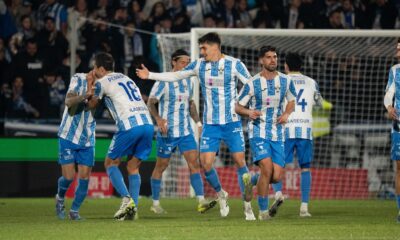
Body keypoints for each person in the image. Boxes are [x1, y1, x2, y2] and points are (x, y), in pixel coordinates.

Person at [137, 32, 255, 220]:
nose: (201, 52)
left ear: (215, 47)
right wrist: (150, 74)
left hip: (232, 121)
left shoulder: (234, 64)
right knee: (206, 165)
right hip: (211, 125)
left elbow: (251, 85)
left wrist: (244, 106)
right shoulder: (199, 65)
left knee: (240, 161)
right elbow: (175, 75)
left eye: (203, 48)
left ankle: (247, 206)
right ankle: (220, 194)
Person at [147, 49, 216, 214]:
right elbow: (151, 102)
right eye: (183, 62)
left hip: (185, 132)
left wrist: (198, 123)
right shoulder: (163, 81)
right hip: (167, 133)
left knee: (194, 164)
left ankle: (201, 201)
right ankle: (155, 203)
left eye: (188, 62)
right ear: (173, 62)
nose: (186, 65)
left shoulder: (188, 81)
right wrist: (158, 119)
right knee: (161, 166)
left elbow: (191, 104)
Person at [88, 52, 154, 220]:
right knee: (133, 167)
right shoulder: (126, 78)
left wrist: (90, 85)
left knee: (110, 162)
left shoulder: (101, 82)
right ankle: (134, 209)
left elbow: (92, 105)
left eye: (95, 68)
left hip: (130, 125)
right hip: (147, 123)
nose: (93, 70)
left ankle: (126, 200)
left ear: (101, 69)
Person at [236, 46, 296, 220]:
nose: (272, 60)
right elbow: (238, 106)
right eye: (268, 57)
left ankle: (252, 181)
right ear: (261, 60)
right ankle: (263, 212)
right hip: (258, 131)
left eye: (275, 57)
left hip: (277, 133)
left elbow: (292, 100)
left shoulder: (286, 81)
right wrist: (248, 113)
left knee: (276, 177)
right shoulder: (252, 83)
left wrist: (286, 113)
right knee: (267, 169)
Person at [270, 52, 323, 217]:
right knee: (305, 168)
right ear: (301, 66)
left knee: (278, 165)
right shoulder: (311, 82)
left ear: (286, 66)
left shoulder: (280, 80)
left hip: (285, 129)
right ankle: (304, 208)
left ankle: (278, 194)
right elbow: (319, 103)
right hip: (305, 130)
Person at [55, 71, 96, 220]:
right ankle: (60, 198)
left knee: (84, 178)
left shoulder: (104, 86)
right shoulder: (78, 78)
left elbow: (97, 107)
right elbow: (68, 101)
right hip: (68, 135)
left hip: (87, 139)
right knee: (69, 177)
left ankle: (74, 211)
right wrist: (86, 95)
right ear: (98, 68)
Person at [383, 39, 400, 223]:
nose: (397, 50)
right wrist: (389, 107)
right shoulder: (395, 70)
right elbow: (389, 94)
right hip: (398, 125)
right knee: (399, 168)